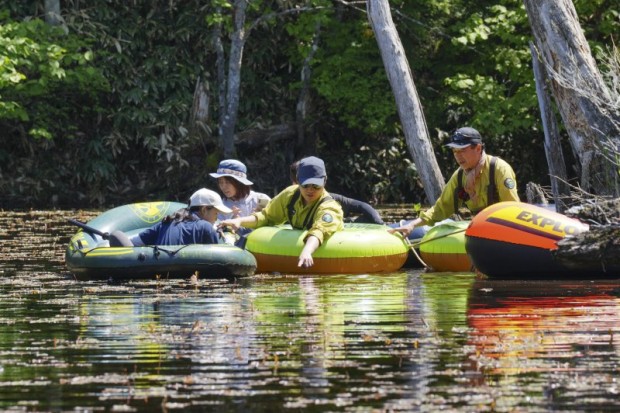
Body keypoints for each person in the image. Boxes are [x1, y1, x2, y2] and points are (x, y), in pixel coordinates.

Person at [390, 127, 520, 238]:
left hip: (502, 229)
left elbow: (513, 209)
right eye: (454, 151)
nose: (458, 156)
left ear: (478, 148)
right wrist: (412, 224)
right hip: (479, 230)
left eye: (462, 150)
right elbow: (441, 208)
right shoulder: (459, 176)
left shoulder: (499, 169)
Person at [220, 156, 344, 268]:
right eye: (305, 185)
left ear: (325, 181)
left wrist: (306, 251)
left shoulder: (329, 207)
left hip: (327, 251)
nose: (310, 190)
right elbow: (266, 216)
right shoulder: (289, 195)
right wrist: (239, 220)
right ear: (298, 181)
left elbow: (319, 231)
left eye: (316, 185)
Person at [289, 160, 384, 225]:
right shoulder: (287, 201)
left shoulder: (330, 199)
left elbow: (361, 206)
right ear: (296, 182)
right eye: (305, 185)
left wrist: (380, 223)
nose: (310, 189)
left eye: (314, 184)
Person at [129, 188, 232, 246]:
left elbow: (132, 241)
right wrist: (229, 241)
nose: (217, 218)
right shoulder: (206, 227)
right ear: (204, 210)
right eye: (216, 213)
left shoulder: (166, 223)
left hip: (159, 275)